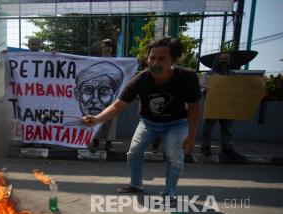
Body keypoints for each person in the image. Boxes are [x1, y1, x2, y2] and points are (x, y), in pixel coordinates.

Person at [82, 37, 201, 205]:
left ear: (175, 59)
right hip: (149, 122)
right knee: (133, 152)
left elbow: (194, 107)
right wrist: (97, 119)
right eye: (152, 57)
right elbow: (118, 105)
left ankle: (169, 193)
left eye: (161, 59)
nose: (154, 63)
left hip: (177, 123)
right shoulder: (141, 79)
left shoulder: (188, 77)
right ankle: (136, 184)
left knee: (175, 156)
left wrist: (191, 135)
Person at [201, 52, 246, 163]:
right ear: (217, 61)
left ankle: (227, 149)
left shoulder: (233, 75)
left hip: (228, 107)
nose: (225, 62)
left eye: (227, 60)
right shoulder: (209, 75)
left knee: (227, 129)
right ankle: (205, 149)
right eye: (222, 60)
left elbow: (238, 90)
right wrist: (207, 89)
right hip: (214, 106)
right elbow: (202, 90)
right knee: (208, 129)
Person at [91, 39, 119, 151]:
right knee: (96, 117)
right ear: (101, 48)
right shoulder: (94, 61)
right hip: (97, 94)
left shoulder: (119, 62)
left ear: (112, 49)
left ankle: (109, 142)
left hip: (112, 94)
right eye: (105, 46)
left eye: (109, 46)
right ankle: (96, 141)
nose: (107, 48)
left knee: (112, 118)